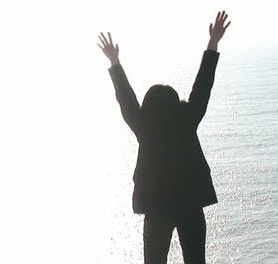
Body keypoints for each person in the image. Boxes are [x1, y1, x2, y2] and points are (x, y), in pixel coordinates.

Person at [98, 10, 231, 264]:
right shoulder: (187, 119)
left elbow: (125, 98)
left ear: (148, 105)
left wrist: (114, 61)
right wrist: (213, 43)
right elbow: (203, 86)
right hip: (190, 203)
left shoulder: (143, 125)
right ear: (174, 103)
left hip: (156, 207)